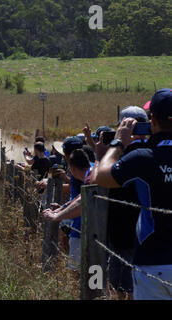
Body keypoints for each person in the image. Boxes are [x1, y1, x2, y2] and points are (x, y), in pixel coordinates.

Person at [93, 88, 172, 300]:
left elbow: (100, 177)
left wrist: (117, 143)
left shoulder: (142, 157)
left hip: (153, 261)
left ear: (152, 119)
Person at [43, 149, 92, 270]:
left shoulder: (92, 178)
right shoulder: (92, 173)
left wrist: (56, 216)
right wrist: (62, 209)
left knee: (78, 272)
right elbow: (80, 197)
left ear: (72, 168)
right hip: (93, 233)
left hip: (91, 233)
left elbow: (82, 203)